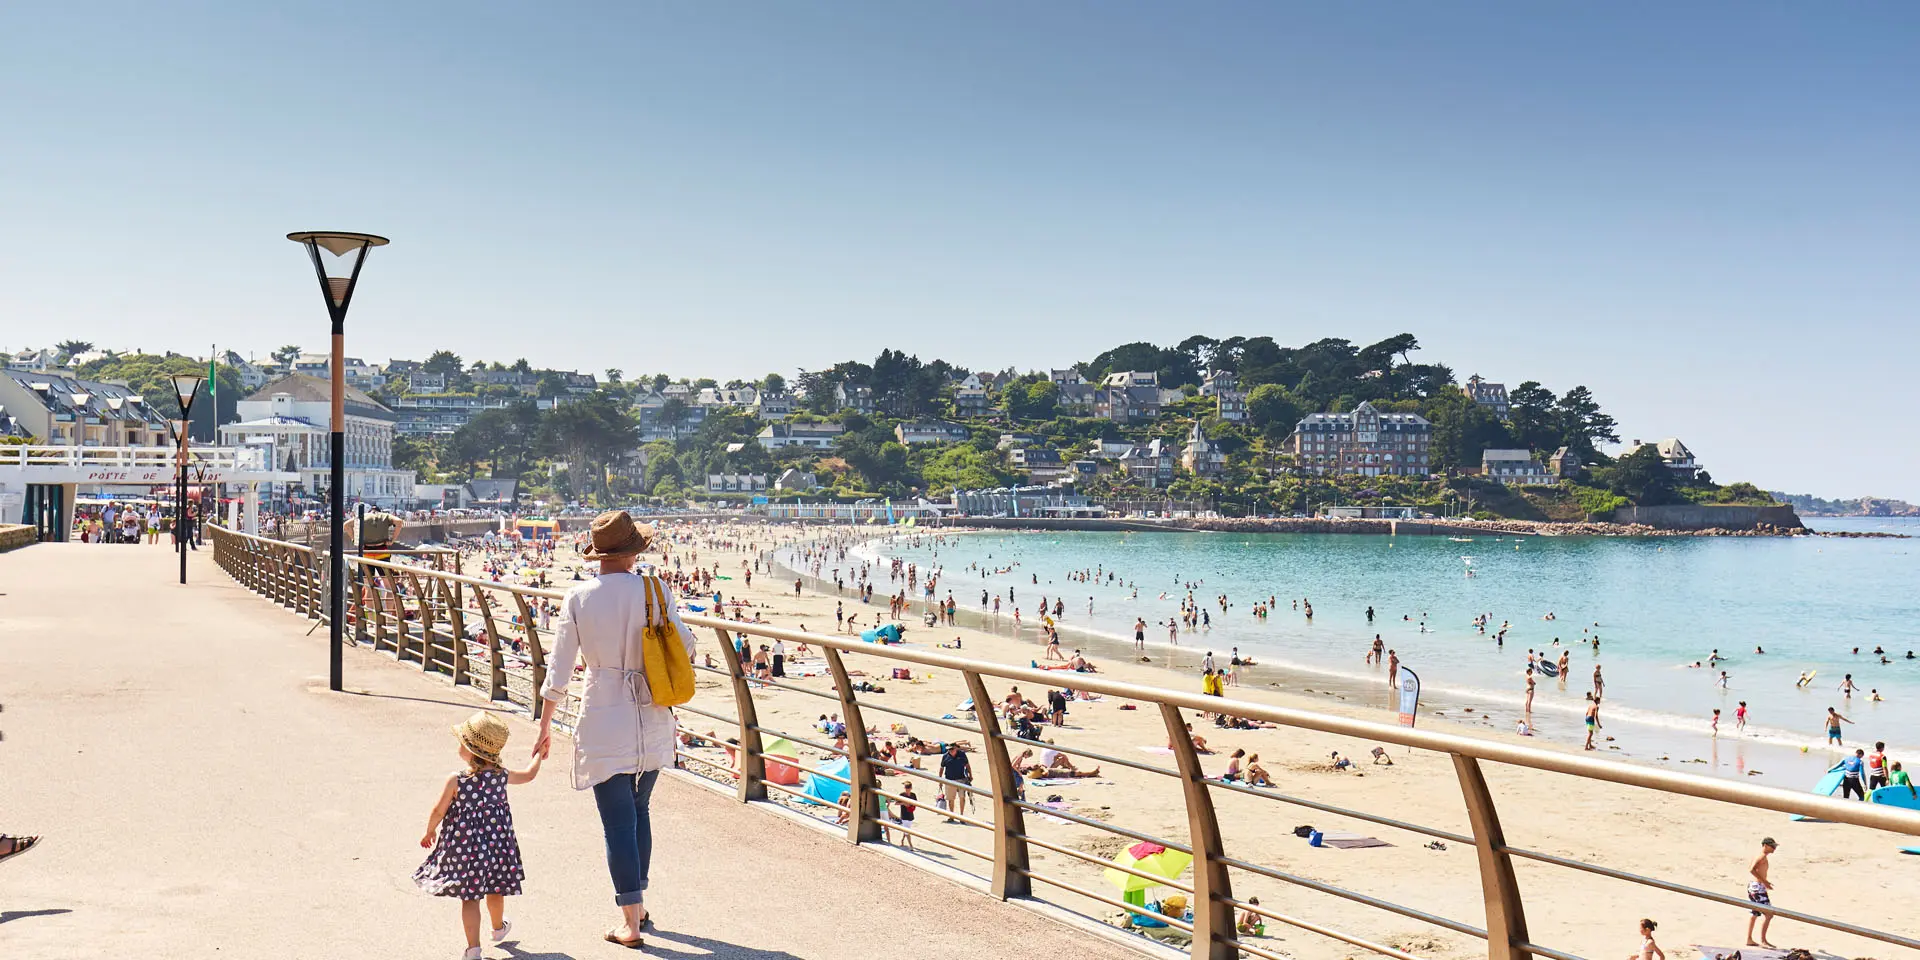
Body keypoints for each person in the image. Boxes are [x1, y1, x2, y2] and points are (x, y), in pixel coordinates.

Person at [534, 511, 697, 949]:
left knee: (617, 822)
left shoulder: (579, 597)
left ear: (598, 554)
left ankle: (631, 922)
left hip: (605, 712)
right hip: (652, 711)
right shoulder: (654, 590)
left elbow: (560, 667)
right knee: (639, 810)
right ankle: (638, 908)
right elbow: (686, 644)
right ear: (633, 552)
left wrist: (546, 723)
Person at [415, 712, 543, 960]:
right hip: (497, 847)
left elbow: (438, 810)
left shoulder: (457, 780)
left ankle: (473, 949)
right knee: (495, 889)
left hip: (465, 850)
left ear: (471, 749)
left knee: (470, 898)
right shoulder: (501, 776)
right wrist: (539, 755)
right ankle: (498, 928)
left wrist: (429, 830)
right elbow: (529, 775)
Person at [1746, 837, 1777, 948]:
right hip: (1757, 887)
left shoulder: (1761, 856)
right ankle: (1763, 941)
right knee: (1769, 914)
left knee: (1754, 913)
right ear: (1765, 845)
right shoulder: (1762, 857)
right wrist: (1765, 882)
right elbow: (1751, 869)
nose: (1774, 848)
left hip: (1754, 887)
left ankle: (1749, 939)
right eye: (1772, 846)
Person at [939, 743, 973, 821]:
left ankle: (961, 816)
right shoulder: (945, 756)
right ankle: (952, 816)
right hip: (949, 780)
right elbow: (941, 768)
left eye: (951, 749)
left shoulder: (962, 755)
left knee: (962, 797)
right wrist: (940, 780)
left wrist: (970, 775)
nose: (950, 751)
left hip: (961, 779)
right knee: (951, 799)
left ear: (956, 749)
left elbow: (967, 765)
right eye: (949, 749)